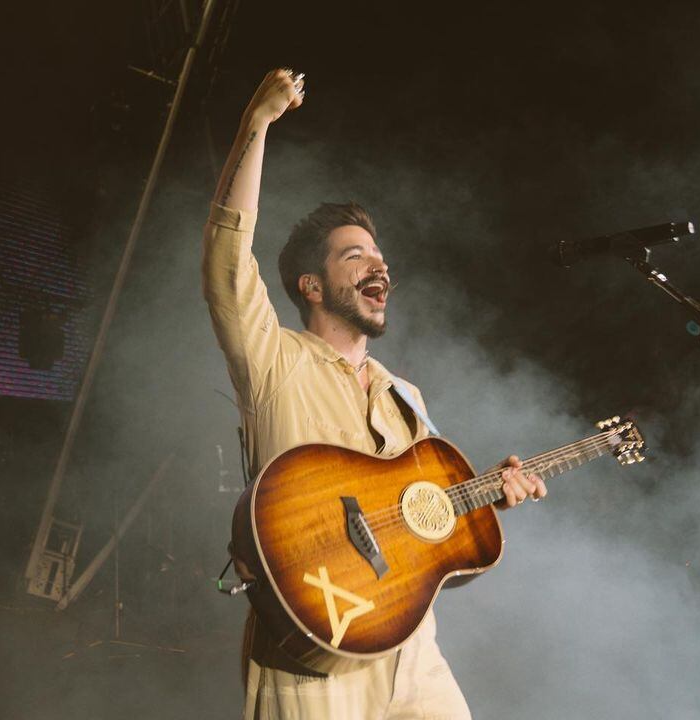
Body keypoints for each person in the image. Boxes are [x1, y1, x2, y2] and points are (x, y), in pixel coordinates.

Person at [202, 68, 546, 720]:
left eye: (381, 257)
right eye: (355, 255)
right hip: (313, 646)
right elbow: (225, 260)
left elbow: (426, 522)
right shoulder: (274, 357)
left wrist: (488, 496)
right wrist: (258, 123)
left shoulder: (404, 395)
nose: (379, 265)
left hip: (411, 649)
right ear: (310, 284)